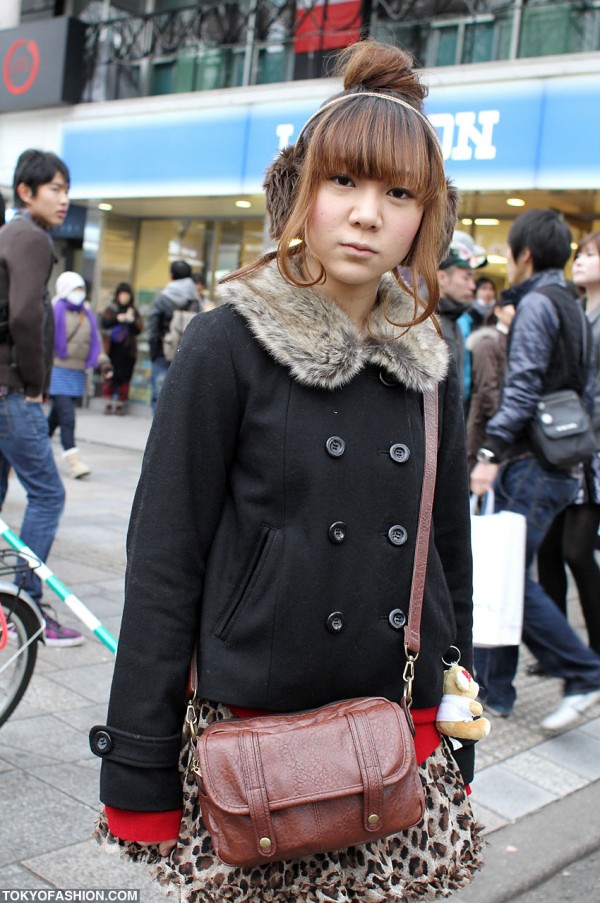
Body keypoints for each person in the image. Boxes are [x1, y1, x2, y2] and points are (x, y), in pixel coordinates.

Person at [90, 40, 483, 901]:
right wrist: (141, 767)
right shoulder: (224, 345)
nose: (368, 214)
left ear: (427, 216)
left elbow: (444, 551)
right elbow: (164, 562)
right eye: (344, 181)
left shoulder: (430, 360)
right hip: (254, 741)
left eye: (399, 192)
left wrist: (456, 718)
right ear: (299, 190)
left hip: (388, 730)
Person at [470, 209, 600, 729]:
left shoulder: (538, 306)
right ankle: (495, 689)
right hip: (563, 458)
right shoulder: (573, 303)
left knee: (504, 578)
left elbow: (521, 388)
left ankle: (582, 669)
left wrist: (489, 454)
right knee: (507, 572)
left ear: (523, 254)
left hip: (530, 460)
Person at [0, 149, 83, 646]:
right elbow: (28, 316)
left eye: (67, 189)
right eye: (55, 188)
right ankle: (24, 606)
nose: (64, 199)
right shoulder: (30, 237)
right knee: (48, 495)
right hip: (13, 392)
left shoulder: (7, 233)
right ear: (26, 192)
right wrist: (35, 385)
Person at [536, 232, 600, 658]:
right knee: (548, 550)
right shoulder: (575, 310)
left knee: (577, 551)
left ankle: (594, 650)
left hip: (590, 450)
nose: (580, 261)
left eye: (592, 255)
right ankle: (559, 652)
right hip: (564, 443)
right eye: (579, 254)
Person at [48, 271, 110, 479]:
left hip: (77, 373)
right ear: (65, 289)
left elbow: (96, 343)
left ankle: (29, 455)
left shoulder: (87, 313)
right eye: (76, 289)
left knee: (54, 418)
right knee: (68, 418)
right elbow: (43, 342)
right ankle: (74, 462)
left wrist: (104, 364)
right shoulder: (54, 310)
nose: (80, 293)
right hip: (57, 370)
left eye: (82, 289)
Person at [437, 230, 486, 404]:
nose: (473, 286)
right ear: (442, 277)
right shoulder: (424, 323)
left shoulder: (456, 319)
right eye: (466, 277)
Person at [466, 298, 515, 472]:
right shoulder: (488, 342)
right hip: (486, 425)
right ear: (498, 311)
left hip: (501, 424)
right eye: (512, 306)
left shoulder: (515, 340)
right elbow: (487, 388)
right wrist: (508, 421)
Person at [147, 260, 199, 412]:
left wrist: (154, 354)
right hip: (188, 353)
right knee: (181, 399)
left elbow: (153, 329)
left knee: (159, 396)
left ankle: (158, 434)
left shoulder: (162, 299)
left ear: (171, 276)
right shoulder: (195, 300)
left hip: (163, 352)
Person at [100, 282, 143, 415]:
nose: (124, 297)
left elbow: (139, 329)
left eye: (127, 295)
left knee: (124, 378)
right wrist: (118, 318)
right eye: (122, 294)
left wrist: (131, 320)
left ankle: (120, 405)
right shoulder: (111, 309)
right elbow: (104, 323)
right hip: (111, 348)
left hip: (127, 351)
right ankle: (108, 403)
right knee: (109, 375)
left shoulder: (133, 310)